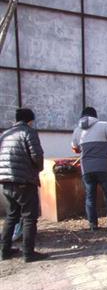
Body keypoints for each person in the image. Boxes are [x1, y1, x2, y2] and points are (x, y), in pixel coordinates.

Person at [0, 108, 48, 262]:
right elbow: (37, 155)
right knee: (29, 217)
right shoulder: (28, 132)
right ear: (30, 120)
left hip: (5, 181)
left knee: (11, 215)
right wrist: (38, 169)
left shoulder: (5, 135)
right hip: (24, 181)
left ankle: (4, 251)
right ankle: (28, 253)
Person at [71, 107, 107, 231]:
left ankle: (93, 225)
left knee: (90, 197)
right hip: (103, 167)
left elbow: (74, 148)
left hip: (86, 169)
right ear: (95, 116)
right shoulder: (103, 125)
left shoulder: (78, 130)